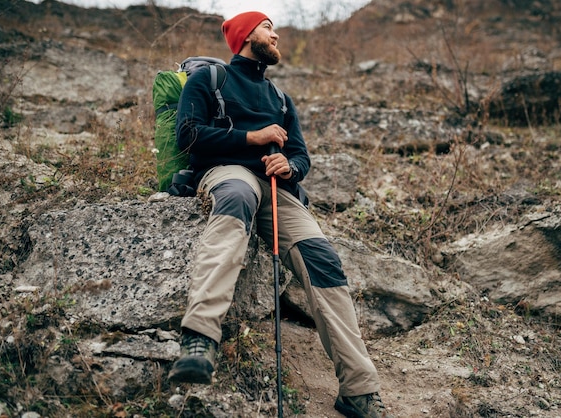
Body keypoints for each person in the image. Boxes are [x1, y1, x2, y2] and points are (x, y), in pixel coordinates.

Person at [168, 11, 393, 418]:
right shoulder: (210, 80)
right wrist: (251, 138)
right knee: (236, 197)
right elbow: (188, 135)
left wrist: (290, 167)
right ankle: (199, 339)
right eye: (268, 27)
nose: (277, 34)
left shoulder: (281, 99)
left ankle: (358, 389)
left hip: (278, 188)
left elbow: (301, 155)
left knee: (322, 259)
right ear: (244, 35)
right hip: (228, 173)